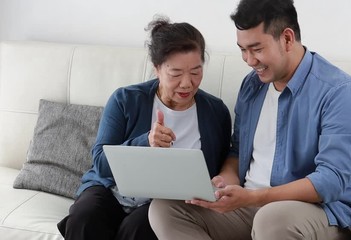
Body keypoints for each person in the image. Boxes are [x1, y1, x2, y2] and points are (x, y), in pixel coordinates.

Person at [148, 0, 351, 239]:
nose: (249, 60)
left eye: (256, 49)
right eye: (243, 50)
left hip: (317, 211)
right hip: (251, 206)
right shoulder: (252, 85)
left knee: (271, 219)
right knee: (164, 209)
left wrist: (255, 197)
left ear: (286, 39)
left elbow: (331, 181)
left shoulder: (339, 92)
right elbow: (237, 151)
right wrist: (223, 183)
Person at [57, 16, 231, 240]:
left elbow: (219, 169)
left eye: (196, 72)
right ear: (157, 69)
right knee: (84, 217)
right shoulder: (125, 99)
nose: (187, 83)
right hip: (110, 191)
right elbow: (100, 162)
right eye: (176, 73)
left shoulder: (216, 112)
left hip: (163, 204)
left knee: (140, 229)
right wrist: (145, 142)